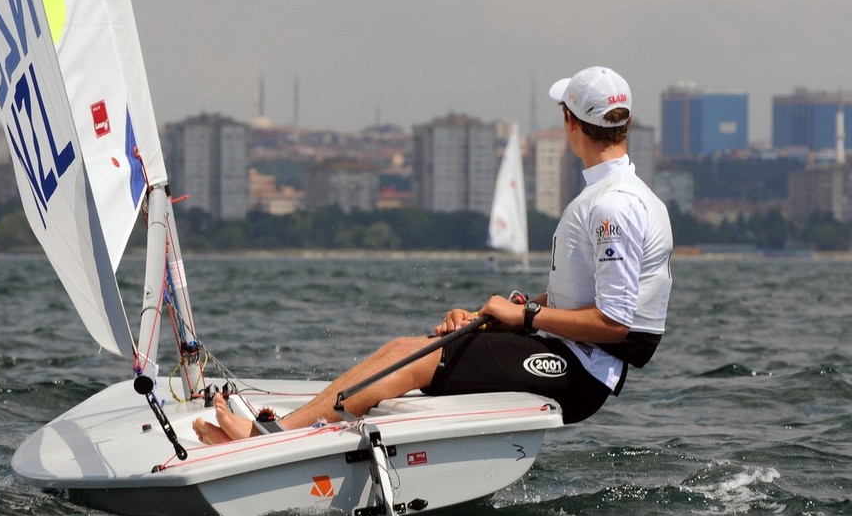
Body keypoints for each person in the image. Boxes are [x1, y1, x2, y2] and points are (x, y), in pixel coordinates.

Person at [194, 65, 673, 444]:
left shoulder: (614, 205)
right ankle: (289, 427)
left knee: (418, 360)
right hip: (566, 351)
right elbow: (581, 298)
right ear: (625, 124)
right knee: (408, 348)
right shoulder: (615, 195)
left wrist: (524, 317)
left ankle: (272, 439)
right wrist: (503, 318)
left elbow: (615, 324)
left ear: (570, 122)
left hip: (581, 373)